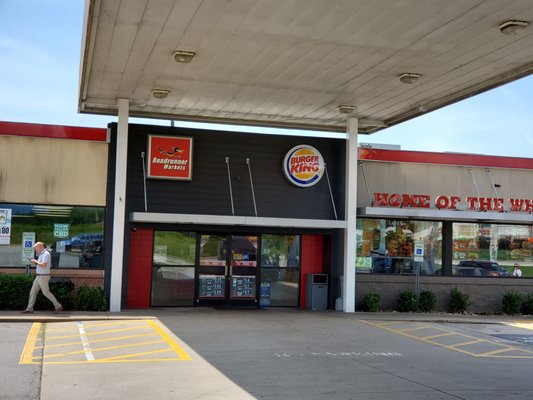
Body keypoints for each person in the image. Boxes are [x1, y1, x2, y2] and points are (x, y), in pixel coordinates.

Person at [21, 242, 63, 313]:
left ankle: (58, 306)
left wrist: (35, 261)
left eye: (36, 249)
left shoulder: (46, 254)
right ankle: (29, 309)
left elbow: (44, 265)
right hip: (39, 276)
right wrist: (36, 261)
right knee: (33, 292)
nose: (36, 250)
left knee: (46, 292)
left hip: (43, 276)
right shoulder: (43, 254)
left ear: (40, 247)